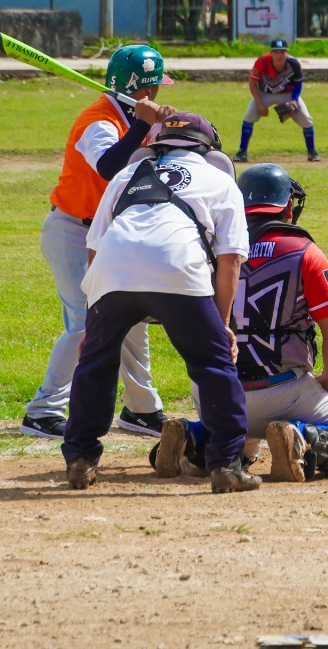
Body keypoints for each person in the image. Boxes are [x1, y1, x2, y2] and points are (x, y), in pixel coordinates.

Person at [62, 112, 259, 493]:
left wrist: (94, 319)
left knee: (96, 364)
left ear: (157, 145)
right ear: (208, 149)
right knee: (213, 366)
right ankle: (227, 466)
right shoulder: (219, 181)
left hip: (112, 271)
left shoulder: (124, 176)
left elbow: (95, 248)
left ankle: (80, 459)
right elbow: (231, 259)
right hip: (178, 267)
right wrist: (222, 325)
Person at [150, 163, 328, 484]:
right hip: (285, 392)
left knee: (238, 445)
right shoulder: (304, 252)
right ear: (287, 206)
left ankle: (193, 438)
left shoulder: (213, 250)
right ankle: (303, 439)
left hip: (214, 392)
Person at [22, 45, 175, 441]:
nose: (158, 94)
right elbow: (109, 167)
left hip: (111, 233)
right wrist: (143, 125)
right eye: (154, 87)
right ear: (141, 89)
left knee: (133, 320)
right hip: (73, 231)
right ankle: (43, 411)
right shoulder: (98, 121)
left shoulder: (130, 116)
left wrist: (166, 129)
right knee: (83, 323)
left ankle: (142, 409)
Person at [234, 38, 320, 163]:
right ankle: (242, 152)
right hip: (264, 93)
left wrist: (295, 100)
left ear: (287, 52)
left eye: (282, 52)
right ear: (271, 53)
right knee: (249, 116)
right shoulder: (261, 62)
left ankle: (312, 152)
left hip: (287, 94)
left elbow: (298, 83)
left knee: (306, 119)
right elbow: (252, 83)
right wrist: (259, 104)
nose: (279, 55)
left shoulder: (294, 64)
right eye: (276, 52)